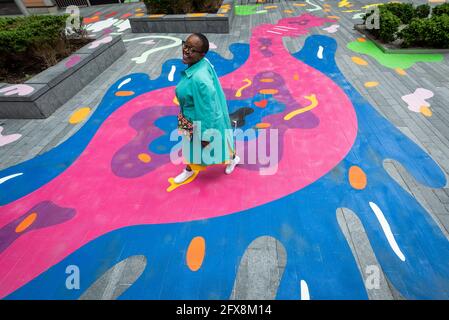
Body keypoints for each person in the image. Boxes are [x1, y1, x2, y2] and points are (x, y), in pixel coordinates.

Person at [174, 33, 240, 184]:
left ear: (202, 54)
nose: (186, 51)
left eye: (192, 49)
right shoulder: (202, 62)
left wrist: (205, 135)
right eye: (186, 45)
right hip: (187, 116)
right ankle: (189, 169)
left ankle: (233, 158)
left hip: (196, 121)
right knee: (190, 146)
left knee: (208, 144)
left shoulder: (200, 79)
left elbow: (207, 109)